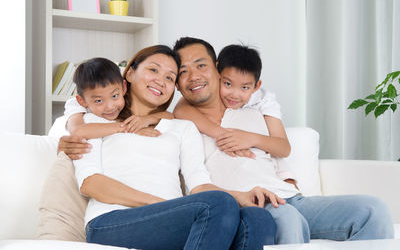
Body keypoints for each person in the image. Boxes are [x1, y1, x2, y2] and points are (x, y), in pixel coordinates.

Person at [171, 37, 394, 244]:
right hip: (248, 206)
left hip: (290, 199)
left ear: (217, 69)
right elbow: (196, 183)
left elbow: (277, 151)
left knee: (372, 210)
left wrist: (287, 179)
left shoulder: (253, 110)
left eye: (201, 65)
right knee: (288, 219)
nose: (194, 76)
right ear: (177, 84)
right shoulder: (182, 126)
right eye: (183, 71)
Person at [58, 45, 278, 250]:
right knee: (217, 205)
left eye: (170, 77)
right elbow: (91, 184)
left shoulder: (182, 128)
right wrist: (167, 206)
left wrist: (241, 196)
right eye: (153, 70)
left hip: (174, 218)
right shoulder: (95, 123)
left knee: (258, 219)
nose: (160, 81)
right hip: (111, 221)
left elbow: (199, 185)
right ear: (130, 75)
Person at [174, 44, 297, 187]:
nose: (234, 94)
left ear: (256, 87)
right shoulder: (195, 105)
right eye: (227, 84)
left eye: (244, 87)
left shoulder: (263, 100)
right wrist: (224, 135)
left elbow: (283, 147)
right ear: (218, 75)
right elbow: (181, 109)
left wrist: (250, 138)